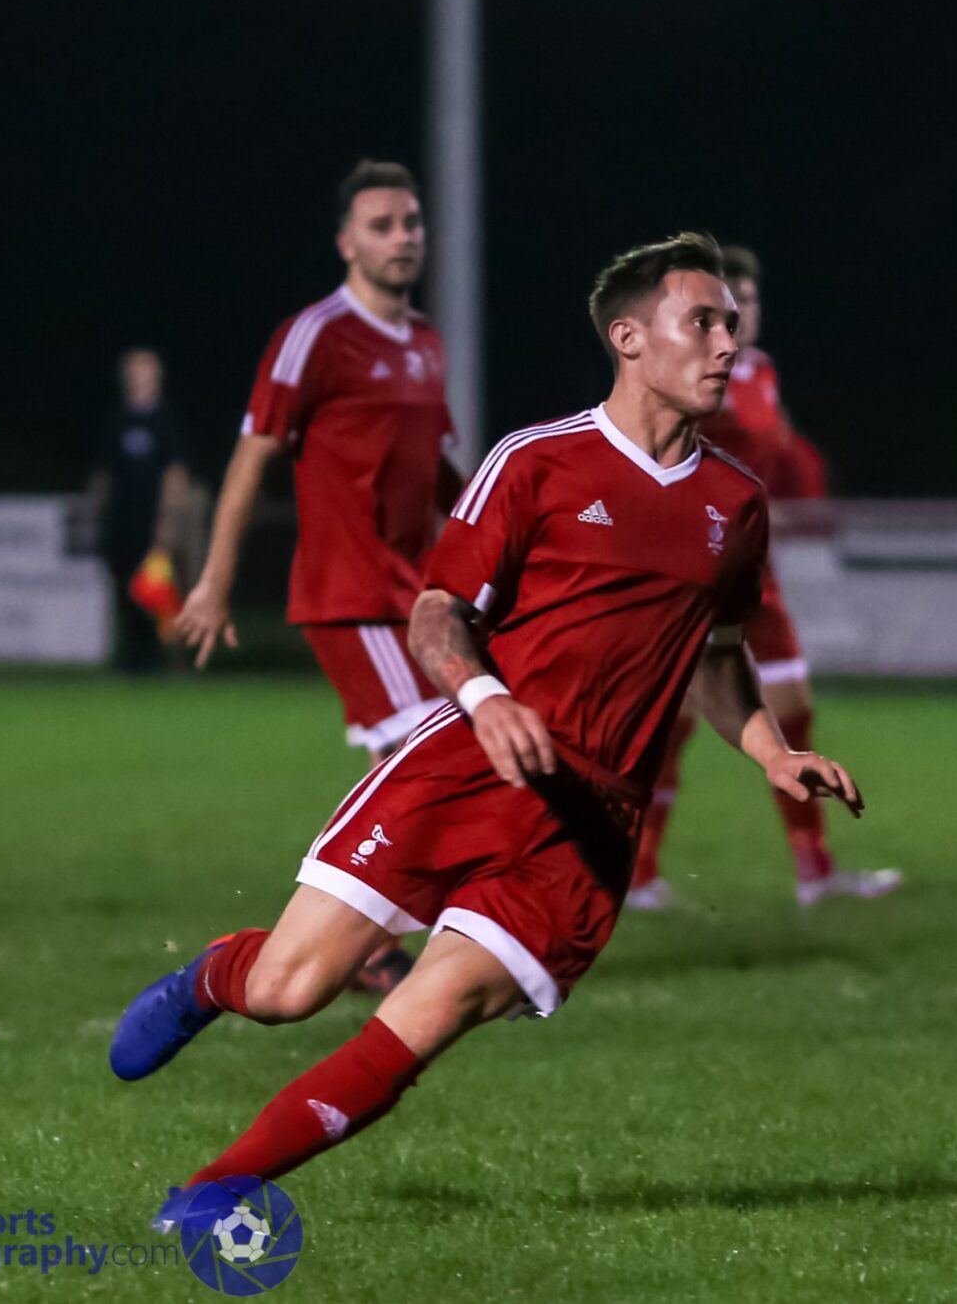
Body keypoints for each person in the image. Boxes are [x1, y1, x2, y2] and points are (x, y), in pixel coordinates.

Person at [109, 233, 865, 1225]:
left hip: (589, 825)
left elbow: (717, 652)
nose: (727, 342)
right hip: (469, 760)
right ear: (629, 338)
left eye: (731, 323)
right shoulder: (538, 461)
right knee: (290, 988)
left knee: (429, 1012)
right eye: (704, 321)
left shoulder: (735, 504)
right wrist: (486, 696)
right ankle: (215, 976)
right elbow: (436, 613)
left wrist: (772, 749)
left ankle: (212, 1190)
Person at [627, 245, 898, 909]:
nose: (740, 311)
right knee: (675, 720)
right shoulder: (683, 372)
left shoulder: (760, 371)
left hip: (751, 569)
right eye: (727, 302)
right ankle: (636, 872)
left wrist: (808, 478)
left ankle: (815, 871)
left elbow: (778, 447)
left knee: (793, 706)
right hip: (690, 569)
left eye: (748, 300)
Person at [173, 160, 463, 762]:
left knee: (424, 772)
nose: (403, 236)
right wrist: (214, 583)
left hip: (416, 593)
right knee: (428, 755)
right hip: (352, 595)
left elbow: (434, 471)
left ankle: (358, 859)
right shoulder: (315, 335)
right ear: (347, 244)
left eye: (411, 223)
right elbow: (252, 456)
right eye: (381, 226)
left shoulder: (426, 340)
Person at [86, 347, 192, 673]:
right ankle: (128, 658)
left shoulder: (166, 420)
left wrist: (167, 522)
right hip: (122, 524)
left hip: (153, 525)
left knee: (159, 595)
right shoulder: (116, 419)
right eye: (136, 371)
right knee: (123, 593)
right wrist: (95, 508)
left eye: (147, 371)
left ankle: (171, 660)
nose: (142, 378)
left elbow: (176, 473)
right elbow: (104, 472)